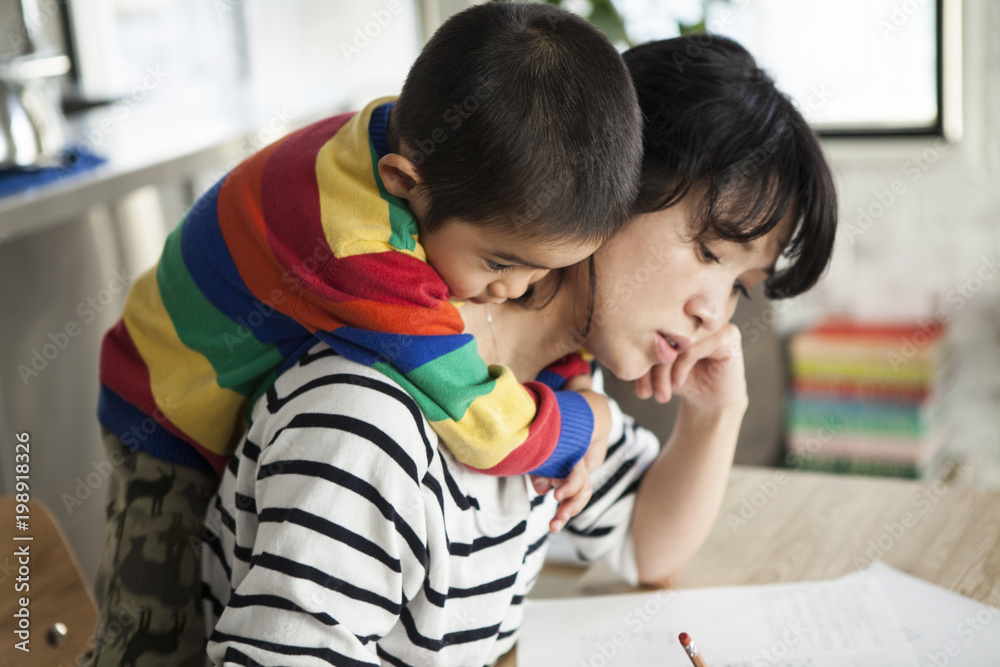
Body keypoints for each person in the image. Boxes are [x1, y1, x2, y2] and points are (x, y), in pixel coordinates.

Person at [201, 34, 837, 666]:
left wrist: (715, 413)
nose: (712, 312)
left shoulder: (557, 391)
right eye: (708, 252)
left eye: (740, 289)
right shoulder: (371, 410)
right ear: (611, 179)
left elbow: (648, 547)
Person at [82, 4, 641, 665]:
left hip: (233, 359)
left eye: (547, 271)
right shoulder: (362, 252)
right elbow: (481, 424)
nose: (516, 292)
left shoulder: (411, 136)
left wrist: (573, 371)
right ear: (404, 182)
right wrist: (584, 420)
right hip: (164, 405)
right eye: (500, 263)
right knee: (150, 630)